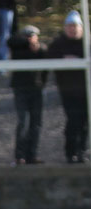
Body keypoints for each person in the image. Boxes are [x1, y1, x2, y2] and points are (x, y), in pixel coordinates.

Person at [48, 10, 88, 164]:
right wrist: (63, 59)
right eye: (70, 26)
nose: (72, 29)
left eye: (75, 26)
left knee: (84, 123)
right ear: (65, 28)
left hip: (86, 91)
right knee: (73, 121)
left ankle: (82, 152)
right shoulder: (58, 44)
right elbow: (49, 59)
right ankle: (70, 153)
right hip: (68, 91)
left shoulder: (87, 43)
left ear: (81, 28)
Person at [8, 25, 47, 165]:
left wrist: (42, 83)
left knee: (36, 124)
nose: (29, 38)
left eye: (31, 35)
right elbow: (10, 41)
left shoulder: (40, 50)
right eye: (26, 35)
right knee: (22, 122)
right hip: (20, 89)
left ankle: (32, 155)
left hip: (36, 90)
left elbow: (45, 66)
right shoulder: (17, 48)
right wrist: (26, 42)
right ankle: (20, 156)